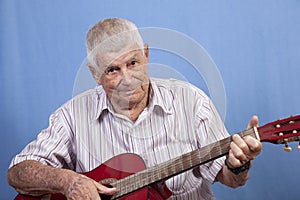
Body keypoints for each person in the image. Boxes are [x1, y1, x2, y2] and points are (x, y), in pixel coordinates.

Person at [8, 18, 262, 199]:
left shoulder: (192, 102)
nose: (127, 78)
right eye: (112, 70)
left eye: (133, 62)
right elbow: (18, 173)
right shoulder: (72, 115)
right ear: (95, 74)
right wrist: (67, 181)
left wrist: (238, 164)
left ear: (147, 54)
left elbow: (230, 180)